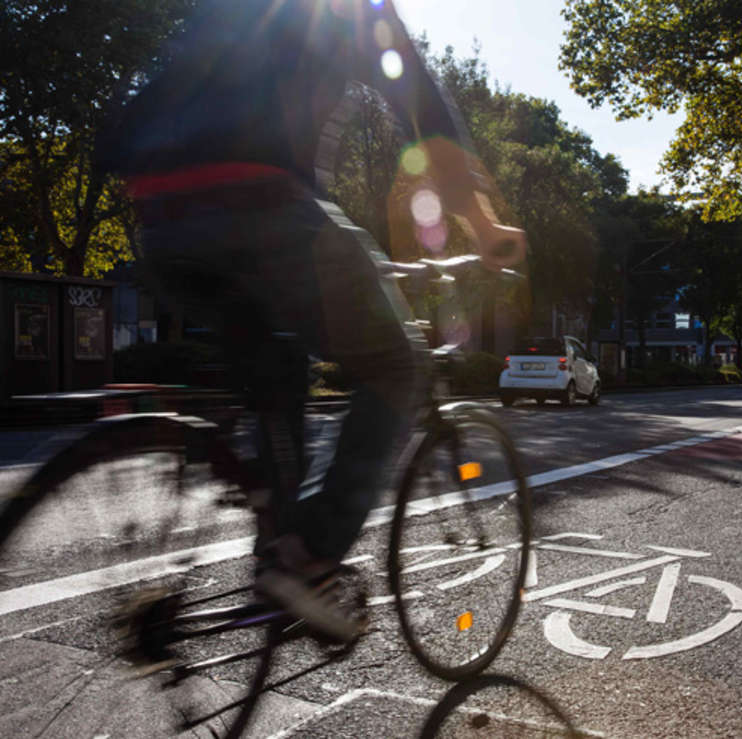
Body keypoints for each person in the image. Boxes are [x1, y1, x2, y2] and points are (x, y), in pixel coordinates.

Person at [95, 0, 526, 641]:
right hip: (261, 201)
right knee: (397, 362)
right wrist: (485, 226)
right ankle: (309, 559)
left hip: (158, 216)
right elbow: (427, 121)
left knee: (277, 364)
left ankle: (275, 550)